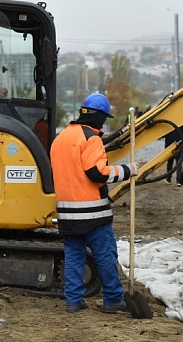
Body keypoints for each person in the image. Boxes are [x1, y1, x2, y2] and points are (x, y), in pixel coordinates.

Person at [50, 92, 138, 314]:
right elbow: (97, 173)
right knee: (105, 255)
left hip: (67, 213)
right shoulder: (91, 138)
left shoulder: (60, 139)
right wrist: (128, 171)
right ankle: (113, 300)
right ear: (99, 116)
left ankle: (73, 301)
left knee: (73, 257)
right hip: (92, 213)